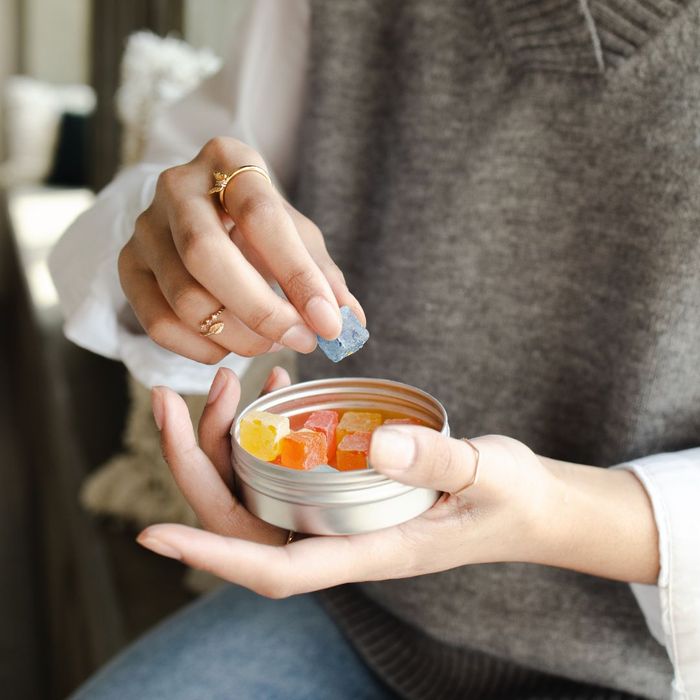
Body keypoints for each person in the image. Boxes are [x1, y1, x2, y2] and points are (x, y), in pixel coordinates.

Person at [50, 1, 700, 698]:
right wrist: (174, 245)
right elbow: (176, 198)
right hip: (354, 599)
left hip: (651, 662)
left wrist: (550, 514)